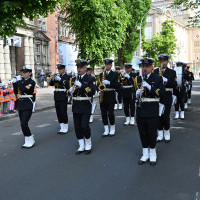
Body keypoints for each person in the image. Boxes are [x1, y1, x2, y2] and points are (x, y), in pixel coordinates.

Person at [135, 58, 165, 166]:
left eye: (147, 66)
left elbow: (161, 93)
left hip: (152, 109)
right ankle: (145, 154)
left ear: (152, 67)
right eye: (143, 66)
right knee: (142, 132)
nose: (144, 68)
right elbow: (133, 95)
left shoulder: (157, 78)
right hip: (140, 109)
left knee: (152, 133)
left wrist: (150, 87)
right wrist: (136, 94)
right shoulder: (137, 78)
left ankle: (153, 154)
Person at [69, 59, 96, 154]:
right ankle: (81, 145)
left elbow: (92, 91)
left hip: (85, 105)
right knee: (77, 127)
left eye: (81, 67)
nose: (79, 69)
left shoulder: (90, 78)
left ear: (85, 68)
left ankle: (88, 143)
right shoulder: (73, 79)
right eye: (78, 67)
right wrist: (70, 90)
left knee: (84, 126)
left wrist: (82, 86)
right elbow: (70, 94)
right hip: (76, 105)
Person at [154, 54, 177, 143]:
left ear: (167, 61)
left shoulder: (172, 72)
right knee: (158, 115)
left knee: (166, 116)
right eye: (161, 61)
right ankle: (160, 134)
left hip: (167, 95)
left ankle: (167, 133)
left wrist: (166, 80)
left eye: (164, 61)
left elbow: (174, 84)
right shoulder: (155, 71)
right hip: (157, 95)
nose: (163, 63)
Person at [13, 66, 36, 148]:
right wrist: (14, 83)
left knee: (24, 123)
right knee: (22, 123)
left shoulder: (31, 82)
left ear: (30, 73)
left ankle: (30, 138)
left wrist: (18, 81)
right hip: (21, 104)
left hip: (28, 104)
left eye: (25, 72)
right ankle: (27, 139)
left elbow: (24, 89)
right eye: (23, 72)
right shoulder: (21, 81)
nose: (23, 73)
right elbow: (16, 91)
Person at [98, 58, 120, 137]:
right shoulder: (101, 74)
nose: (107, 66)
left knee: (110, 113)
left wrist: (109, 83)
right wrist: (98, 89)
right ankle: (106, 129)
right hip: (102, 95)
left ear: (111, 65)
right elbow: (99, 84)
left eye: (108, 64)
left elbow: (118, 85)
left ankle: (112, 128)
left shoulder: (115, 74)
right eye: (106, 64)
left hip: (110, 95)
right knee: (103, 113)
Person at [49, 64, 71, 134]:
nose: (59, 71)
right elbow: (51, 84)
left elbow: (67, 85)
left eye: (60, 69)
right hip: (57, 96)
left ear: (64, 69)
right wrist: (52, 79)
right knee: (58, 112)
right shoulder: (57, 76)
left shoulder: (67, 76)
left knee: (63, 111)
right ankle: (61, 126)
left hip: (63, 96)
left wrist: (60, 80)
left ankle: (65, 126)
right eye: (58, 69)